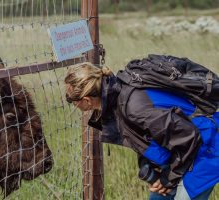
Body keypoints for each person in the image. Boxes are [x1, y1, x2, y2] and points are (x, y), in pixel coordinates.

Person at [64, 62, 219, 200]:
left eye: (69, 99)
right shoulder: (119, 96)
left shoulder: (134, 108)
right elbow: (149, 137)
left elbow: (188, 137)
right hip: (182, 155)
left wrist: (167, 180)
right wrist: (150, 168)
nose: (70, 102)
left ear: (86, 100)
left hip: (206, 149)